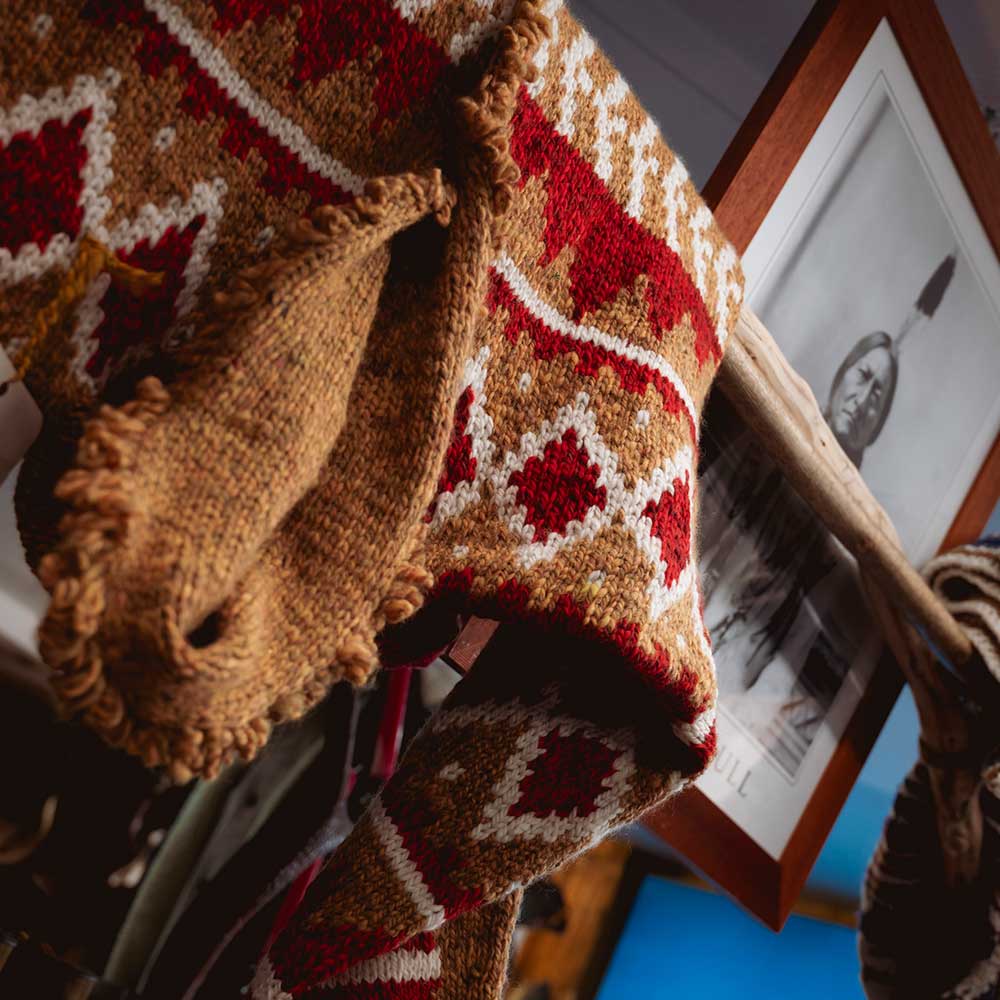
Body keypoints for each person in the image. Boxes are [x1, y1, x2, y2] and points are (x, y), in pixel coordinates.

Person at [699, 251, 957, 771]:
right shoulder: (769, 432)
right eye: (863, 376)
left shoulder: (853, 531)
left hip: (738, 665)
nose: (865, 398)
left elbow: (799, 643)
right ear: (842, 376)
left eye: (879, 394)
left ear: (879, 423)